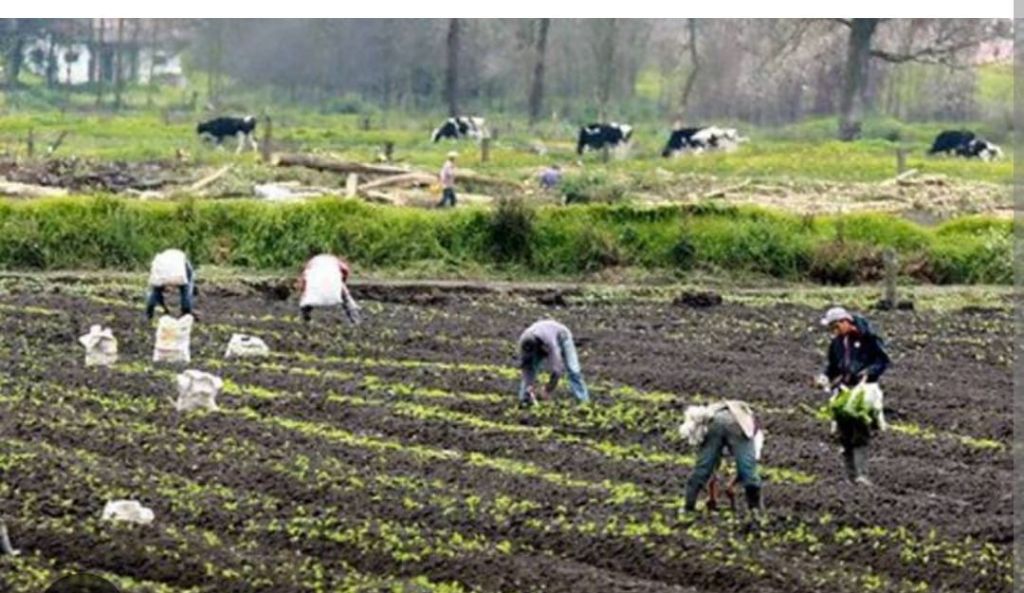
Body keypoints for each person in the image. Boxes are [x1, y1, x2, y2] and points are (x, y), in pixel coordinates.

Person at [815, 306, 890, 486]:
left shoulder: (869, 339)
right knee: (844, 434)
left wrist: (869, 372)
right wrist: (824, 377)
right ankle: (850, 476)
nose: (834, 331)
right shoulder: (838, 343)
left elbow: (882, 360)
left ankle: (861, 474)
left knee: (861, 431)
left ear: (845, 322)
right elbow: (832, 366)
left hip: (863, 392)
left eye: (836, 327)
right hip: (843, 391)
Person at [678, 400, 764, 520]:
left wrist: (715, 493)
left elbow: (711, 466)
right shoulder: (754, 432)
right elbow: (747, 466)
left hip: (714, 420)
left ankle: (688, 508)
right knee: (748, 471)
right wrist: (730, 485)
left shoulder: (714, 413)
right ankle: (755, 511)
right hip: (739, 424)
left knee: (703, 467)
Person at [517, 319, 589, 408]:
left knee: (573, 369)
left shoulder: (550, 342)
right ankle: (525, 399)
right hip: (538, 338)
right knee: (531, 369)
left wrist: (548, 389)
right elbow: (526, 367)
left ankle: (583, 401)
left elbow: (557, 369)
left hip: (562, 336)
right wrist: (529, 386)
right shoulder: (523, 342)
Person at [297, 253, 361, 324]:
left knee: (307, 300)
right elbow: (345, 270)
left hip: (315, 283)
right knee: (347, 299)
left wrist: (303, 291)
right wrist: (343, 281)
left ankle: (304, 318)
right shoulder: (335, 260)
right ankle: (355, 320)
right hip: (333, 281)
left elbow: (304, 279)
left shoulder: (311, 263)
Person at [146, 249, 196, 320]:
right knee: (185, 290)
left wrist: (164, 306)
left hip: (162, 271)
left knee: (156, 291)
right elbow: (190, 273)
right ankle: (186, 313)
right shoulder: (182, 258)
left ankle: (149, 313)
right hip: (179, 272)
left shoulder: (162, 258)